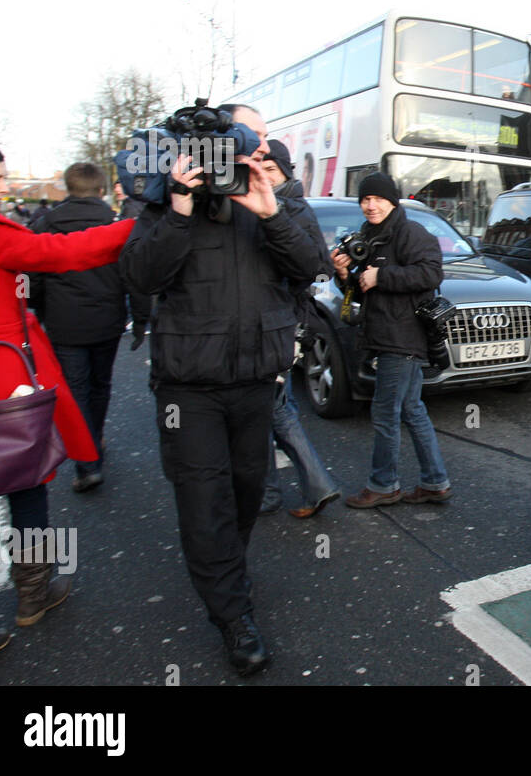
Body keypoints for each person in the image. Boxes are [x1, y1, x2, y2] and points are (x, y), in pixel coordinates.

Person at [120, 105, 325, 677]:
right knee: (204, 500)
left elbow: (310, 266)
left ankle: (226, 573)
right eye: (220, 152)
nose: (230, 162)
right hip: (189, 387)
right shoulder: (164, 204)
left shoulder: (273, 199)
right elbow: (139, 277)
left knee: (244, 490)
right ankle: (233, 616)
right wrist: (180, 210)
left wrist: (272, 212)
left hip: (255, 380)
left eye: (247, 146)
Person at [0, 142, 136, 673]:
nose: (4, 187)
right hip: (3, 380)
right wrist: (138, 225)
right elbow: (66, 254)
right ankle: (33, 595)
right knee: (29, 482)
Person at [334, 173, 452, 508]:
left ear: (392, 201)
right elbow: (361, 290)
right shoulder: (369, 236)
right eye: (365, 199)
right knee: (411, 409)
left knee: (385, 412)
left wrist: (382, 275)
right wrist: (345, 274)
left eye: (378, 199)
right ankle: (435, 482)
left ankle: (384, 485)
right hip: (384, 333)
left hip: (403, 338)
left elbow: (431, 273)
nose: (370, 205)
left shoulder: (410, 232)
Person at [30, 162, 149, 492]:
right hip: (107, 319)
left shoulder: (44, 225)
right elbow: (135, 276)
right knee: (100, 385)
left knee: (76, 390)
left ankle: (87, 462)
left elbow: (31, 276)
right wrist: (140, 319)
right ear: (101, 190)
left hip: (64, 322)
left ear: (69, 189)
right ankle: (95, 440)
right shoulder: (118, 225)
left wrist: (37, 309)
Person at [255, 141, 342, 518]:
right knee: (277, 408)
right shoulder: (276, 205)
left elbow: (315, 269)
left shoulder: (290, 209)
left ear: (286, 173)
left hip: (280, 326)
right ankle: (275, 491)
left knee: (273, 412)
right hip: (277, 325)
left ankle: (295, 489)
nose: (263, 176)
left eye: (271, 170)